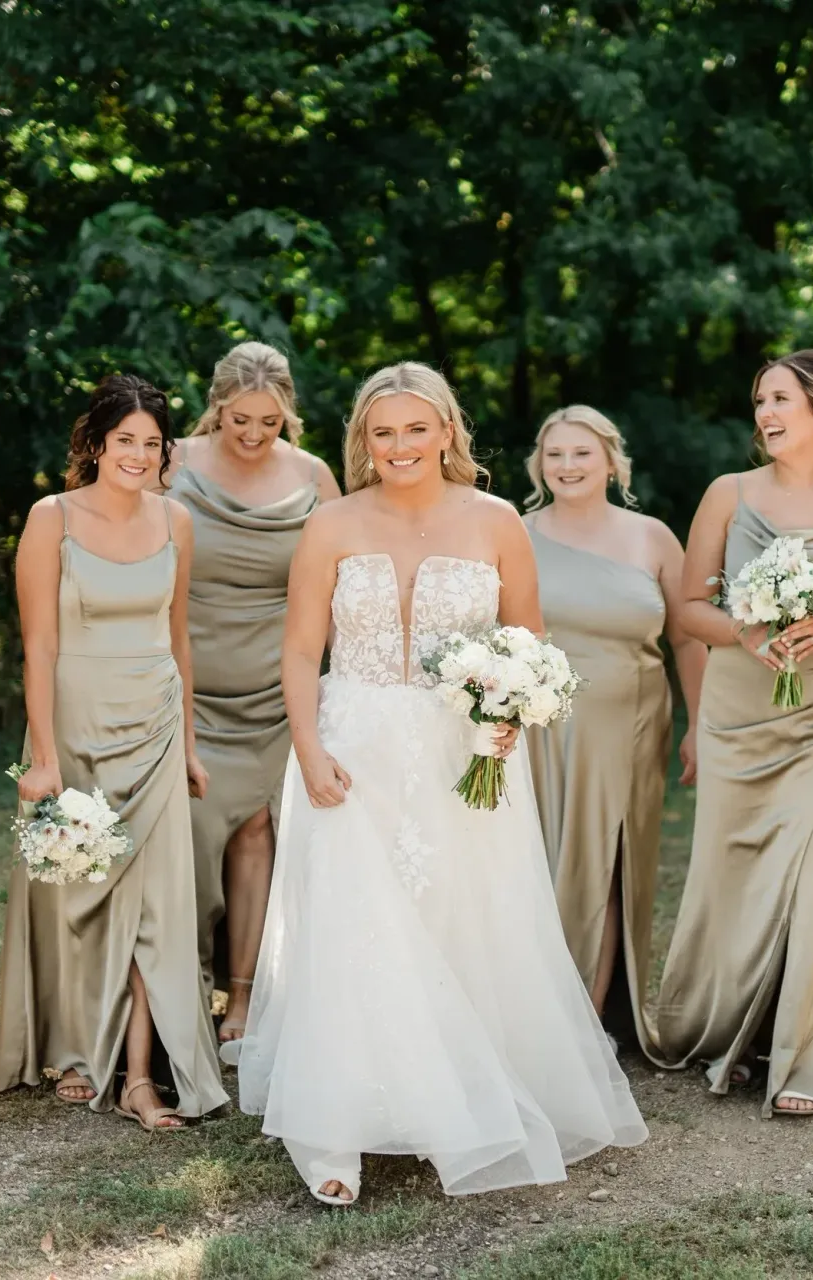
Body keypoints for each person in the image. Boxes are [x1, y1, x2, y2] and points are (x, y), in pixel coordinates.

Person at [232, 362, 645, 1205]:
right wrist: (307, 748)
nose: (400, 446)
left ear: (448, 432)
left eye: (416, 429)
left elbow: (530, 645)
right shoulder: (332, 523)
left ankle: (451, 1102)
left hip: (467, 754)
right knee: (353, 925)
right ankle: (335, 1129)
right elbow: (300, 651)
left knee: (459, 921)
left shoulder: (497, 522)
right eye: (382, 433)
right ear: (362, 442)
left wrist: (512, 716)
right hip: (352, 743)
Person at [646, 350, 813, 1117]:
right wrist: (747, 633)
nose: (765, 414)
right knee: (737, 874)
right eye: (759, 401)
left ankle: (805, 1059)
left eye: (779, 398)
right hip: (738, 711)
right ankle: (736, 1035)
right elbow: (687, 608)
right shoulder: (728, 494)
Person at [0, 375, 227, 1130]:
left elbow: (179, 637)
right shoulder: (50, 518)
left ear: (166, 454)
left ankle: (135, 1076)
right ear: (96, 443)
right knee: (80, 892)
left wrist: (188, 745)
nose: (137, 454)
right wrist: (44, 756)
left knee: (154, 901)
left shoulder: (176, 522)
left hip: (154, 721)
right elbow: (39, 644)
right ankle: (75, 1049)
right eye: (123, 439)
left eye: (151, 444)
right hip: (77, 718)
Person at [161, 341, 338, 1043]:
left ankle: (243, 999)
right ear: (217, 405)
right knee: (191, 827)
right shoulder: (171, 462)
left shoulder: (314, 474)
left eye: (270, 421)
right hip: (185, 676)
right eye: (241, 420)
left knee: (257, 828)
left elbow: (348, 571)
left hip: (275, 680)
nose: (256, 435)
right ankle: (177, 984)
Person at [521, 405, 704, 1044]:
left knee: (608, 867)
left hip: (630, 727)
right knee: (538, 867)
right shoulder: (516, 533)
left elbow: (688, 639)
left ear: (610, 461)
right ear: (539, 464)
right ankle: (529, 1017)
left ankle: (587, 1028)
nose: (567, 466)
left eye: (580, 453)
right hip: (537, 734)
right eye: (555, 454)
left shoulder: (652, 537)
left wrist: (698, 724)